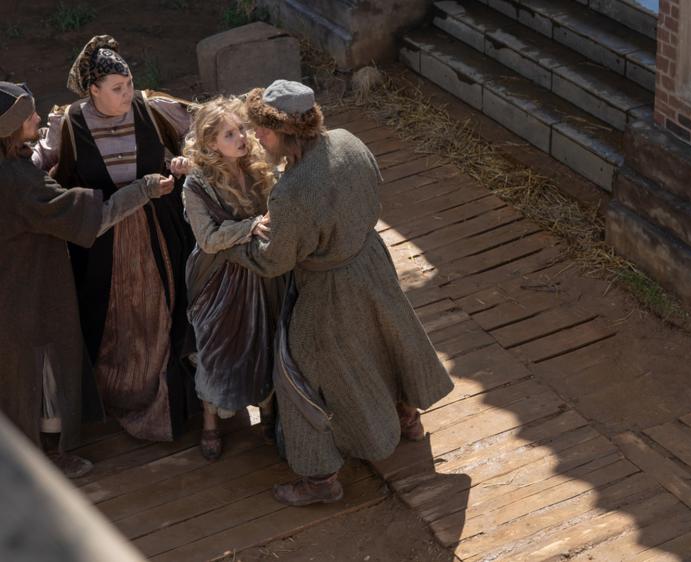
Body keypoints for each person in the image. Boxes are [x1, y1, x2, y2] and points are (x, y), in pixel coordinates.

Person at [223, 80, 454, 506]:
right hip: (372, 264)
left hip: (329, 289)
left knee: (299, 374)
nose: (256, 138)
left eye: (263, 132)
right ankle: (407, 418)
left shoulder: (292, 193)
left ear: (286, 132)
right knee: (385, 340)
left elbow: (275, 261)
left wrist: (231, 246)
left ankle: (319, 479)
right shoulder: (348, 141)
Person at [0, 81, 176, 477]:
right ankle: (45, 459)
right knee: (39, 372)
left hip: (12, 286)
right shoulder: (19, 182)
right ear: (9, 129)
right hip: (25, 294)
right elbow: (95, 220)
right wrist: (145, 189)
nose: (37, 118)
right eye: (28, 116)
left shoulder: (15, 169)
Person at [32, 35, 197, 442]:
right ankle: (115, 397)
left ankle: (162, 407)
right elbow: (34, 166)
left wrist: (186, 158)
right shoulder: (68, 124)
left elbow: (202, 129)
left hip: (158, 235)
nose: (127, 93)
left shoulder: (152, 108)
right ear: (94, 90)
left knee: (161, 315)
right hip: (101, 243)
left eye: (129, 84)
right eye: (117, 88)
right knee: (110, 322)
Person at [179, 97, 285, 460]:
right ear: (211, 143)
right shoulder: (196, 185)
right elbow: (208, 239)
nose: (241, 137)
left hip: (261, 270)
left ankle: (268, 412)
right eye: (229, 134)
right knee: (219, 350)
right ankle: (210, 423)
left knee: (265, 338)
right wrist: (250, 226)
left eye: (241, 129)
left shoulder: (258, 165)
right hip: (219, 278)